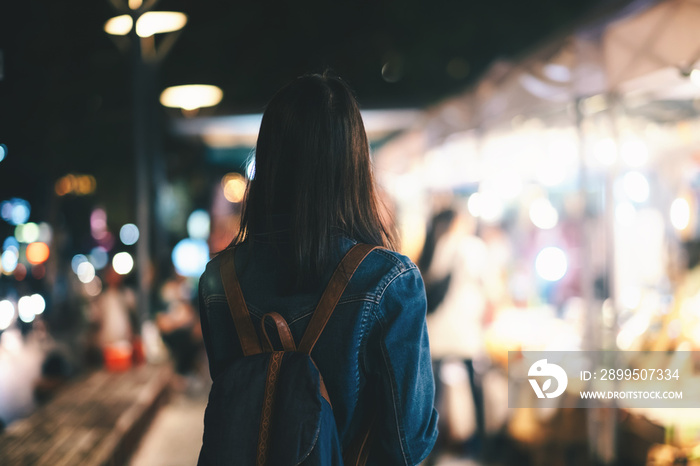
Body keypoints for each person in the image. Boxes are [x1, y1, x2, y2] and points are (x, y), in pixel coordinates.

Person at [198, 72, 438, 465]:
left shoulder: (216, 281)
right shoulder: (389, 279)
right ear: (354, 165)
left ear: (269, 159)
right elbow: (408, 441)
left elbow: (241, 412)